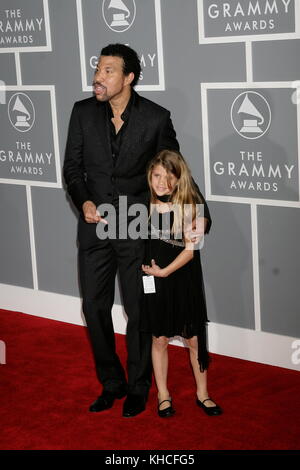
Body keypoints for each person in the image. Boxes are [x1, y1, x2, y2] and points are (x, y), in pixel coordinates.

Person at [63, 44, 180, 417]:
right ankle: (111, 383)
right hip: (94, 228)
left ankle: (139, 386)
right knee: (94, 307)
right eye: (98, 68)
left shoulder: (156, 119)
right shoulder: (82, 113)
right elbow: (72, 169)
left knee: (138, 309)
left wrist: (190, 215)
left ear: (129, 77)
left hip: (135, 227)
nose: (99, 76)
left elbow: (173, 173)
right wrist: (83, 201)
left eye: (109, 70)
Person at [141, 150, 222, 417]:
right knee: (160, 339)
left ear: (178, 178)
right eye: (156, 176)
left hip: (183, 278)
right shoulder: (143, 206)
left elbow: (189, 251)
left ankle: (203, 394)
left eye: (169, 177)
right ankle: (163, 395)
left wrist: (165, 272)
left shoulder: (188, 207)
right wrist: (154, 274)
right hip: (154, 279)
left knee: (195, 340)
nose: (162, 182)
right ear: (149, 177)